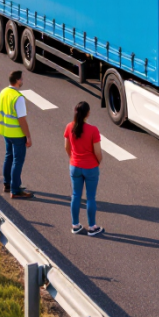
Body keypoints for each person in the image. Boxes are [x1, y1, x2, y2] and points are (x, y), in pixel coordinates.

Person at [64, 101, 103, 235]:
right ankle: (92, 227)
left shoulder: (69, 127)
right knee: (90, 197)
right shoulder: (93, 130)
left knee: (75, 195)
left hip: (75, 166)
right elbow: (97, 152)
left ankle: (75, 225)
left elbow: (67, 147)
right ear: (88, 113)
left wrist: (72, 158)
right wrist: (98, 161)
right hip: (90, 167)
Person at [0, 70, 33, 199]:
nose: (22, 81)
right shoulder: (18, 98)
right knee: (17, 161)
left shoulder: (4, 92)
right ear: (18, 80)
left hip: (6, 131)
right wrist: (28, 136)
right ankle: (15, 189)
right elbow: (21, 119)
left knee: (9, 157)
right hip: (17, 134)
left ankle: (7, 184)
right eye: (22, 79)